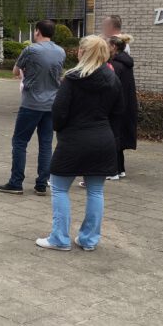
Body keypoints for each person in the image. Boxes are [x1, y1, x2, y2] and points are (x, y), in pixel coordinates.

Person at [36, 35, 123, 251]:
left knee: (59, 188)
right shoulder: (113, 80)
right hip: (102, 139)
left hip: (73, 140)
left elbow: (59, 112)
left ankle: (59, 238)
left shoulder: (72, 79)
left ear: (82, 52)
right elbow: (119, 113)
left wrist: (60, 129)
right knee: (96, 191)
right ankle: (89, 239)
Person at [0, 20, 66, 196]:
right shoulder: (60, 51)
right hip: (51, 104)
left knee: (20, 142)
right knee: (46, 144)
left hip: (31, 103)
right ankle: (42, 184)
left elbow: (15, 71)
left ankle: (16, 182)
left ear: (37, 31)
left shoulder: (31, 50)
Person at [107, 35, 138, 180]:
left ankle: (112, 171)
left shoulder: (114, 65)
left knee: (113, 137)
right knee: (118, 137)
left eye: (107, 45)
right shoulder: (126, 63)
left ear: (113, 47)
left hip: (116, 107)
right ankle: (120, 169)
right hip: (126, 105)